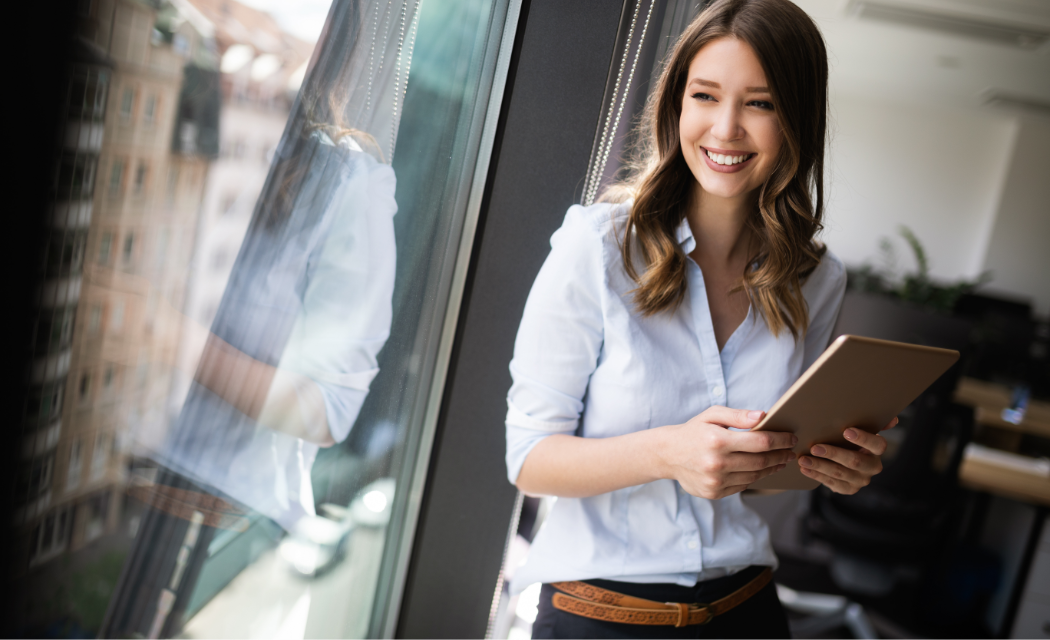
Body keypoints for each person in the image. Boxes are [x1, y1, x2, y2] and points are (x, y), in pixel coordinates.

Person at [504, 0, 894, 637]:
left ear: (797, 118)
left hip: (747, 610)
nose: (725, 128)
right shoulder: (599, 249)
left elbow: (764, 475)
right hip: (600, 614)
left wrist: (827, 468)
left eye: (760, 104)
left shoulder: (817, 280)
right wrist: (667, 453)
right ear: (676, 106)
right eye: (706, 96)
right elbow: (529, 458)